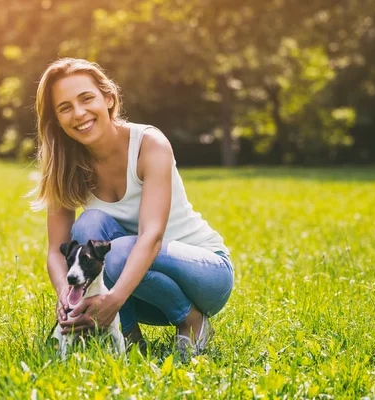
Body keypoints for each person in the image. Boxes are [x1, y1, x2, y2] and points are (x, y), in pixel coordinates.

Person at [31, 58, 233, 359]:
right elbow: (56, 250)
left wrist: (115, 298)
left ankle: (192, 322)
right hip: (143, 292)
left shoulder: (149, 143)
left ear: (108, 98)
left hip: (205, 275)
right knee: (89, 226)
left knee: (119, 251)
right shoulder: (64, 164)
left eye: (86, 99)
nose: (79, 113)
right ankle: (127, 336)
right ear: (57, 120)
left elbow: (151, 236)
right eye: (65, 107)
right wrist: (66, 297)